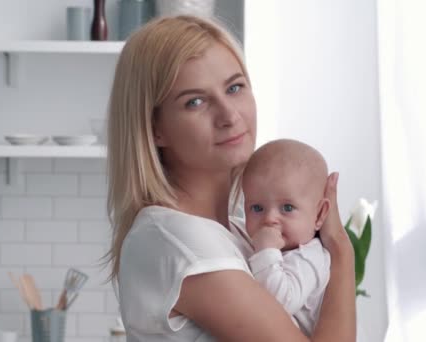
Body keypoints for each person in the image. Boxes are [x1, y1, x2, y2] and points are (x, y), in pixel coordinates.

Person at [104, 14, 356, 342]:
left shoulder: (235, 230)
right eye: (195, 101)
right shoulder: (182, 242)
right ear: (155, 129)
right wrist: (340, 249)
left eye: (234, 87)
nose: (229, 115)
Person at [242, 139, 331, 337]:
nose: (270, 219)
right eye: (257, 208)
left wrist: (266, 251)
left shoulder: (310, 258)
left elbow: (279, 303)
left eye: (287, 208)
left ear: (319, 215)